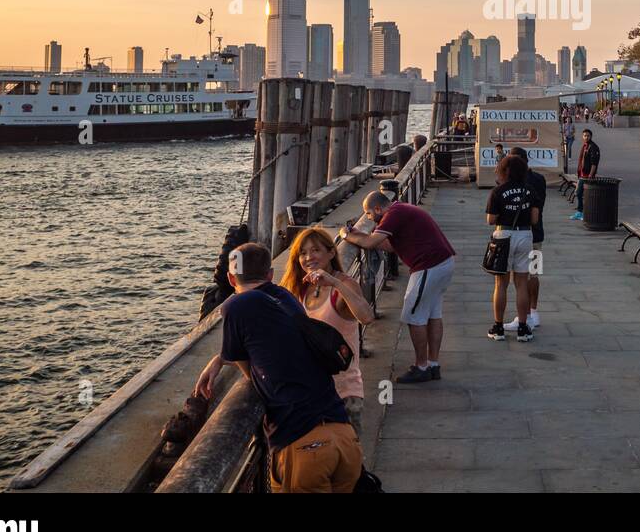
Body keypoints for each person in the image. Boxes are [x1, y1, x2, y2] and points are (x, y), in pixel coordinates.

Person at [193, 242, 361, 493]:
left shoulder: (234, 307)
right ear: (270, 274)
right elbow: (274, 342)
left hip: (304, 444)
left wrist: (222, 358)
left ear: (229, 278)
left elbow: (249, 370)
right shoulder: (286, 298)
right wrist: (221, 358)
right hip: (343, 436)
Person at [341, 191, 455, 384]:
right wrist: (359, 234)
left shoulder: (393, 214)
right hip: (443, 262)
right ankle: (433, 365)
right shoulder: (400, 209)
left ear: (378, 209)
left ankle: (421, 367)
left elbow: (370, 243)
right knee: (433, 315)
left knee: (413, 315)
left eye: (368, 214)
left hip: (429, 266)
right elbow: (389, 245)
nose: (368, 218)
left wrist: (345, 235)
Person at [280, 226, 375, 440]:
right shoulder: (300, 288)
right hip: (310, 393)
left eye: (315, 250)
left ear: (331, 253)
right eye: (302, 253)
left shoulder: (344, 286)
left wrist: (334, 282)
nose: (308, 257)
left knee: (348, 467)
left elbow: (367, 317)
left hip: (343, 393)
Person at [485, 153, 537, 342]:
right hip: (525, 235)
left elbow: (490, 220)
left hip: (503, 235)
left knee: (501, 284)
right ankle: (523, 328)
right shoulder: (530, 190)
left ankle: (498, 327)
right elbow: (534, 219)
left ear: (503, 171)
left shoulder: (497, 192)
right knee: (522, 283)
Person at [504, 146, 546, 331]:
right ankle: (534, 311)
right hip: (538, 233)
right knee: (534, 273)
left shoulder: (514, 182)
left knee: (519, 277)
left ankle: (525, 315)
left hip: (521, 233)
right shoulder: (540, 179)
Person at [569, 127, 600, 222]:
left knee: (581, 193)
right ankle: (580, 212)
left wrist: (591, 175)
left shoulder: (593, 147)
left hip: (587, 176)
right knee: (579, 193)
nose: (586, 137)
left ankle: (582, 212)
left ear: (591, 136)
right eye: (584, 135)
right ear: (582, 136)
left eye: (588, 136)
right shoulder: (585, 146)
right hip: (582, 175)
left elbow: (594, 163)